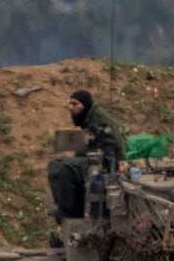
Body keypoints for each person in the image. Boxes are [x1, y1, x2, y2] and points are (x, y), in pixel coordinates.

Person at [47, 89, 128, 220]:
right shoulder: (88, 117)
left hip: (108, 165)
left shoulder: (99, 119)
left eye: (75, 104)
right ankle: (71, 204)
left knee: (60, 166)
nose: (70, 108)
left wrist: (99, 141)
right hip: (98, 160)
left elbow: (116, 143)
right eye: (69, 104)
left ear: (85, 105)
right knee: (68, 162)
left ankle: (69, 212)